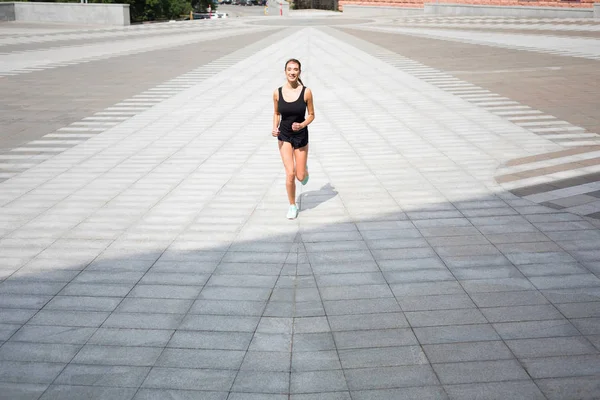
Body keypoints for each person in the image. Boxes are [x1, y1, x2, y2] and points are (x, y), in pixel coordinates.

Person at [272, 58, 315, 219]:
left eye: (295, 69)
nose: (292, 72)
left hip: (301, 134)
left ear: (299, 72)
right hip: (284, 135)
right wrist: (274, 128)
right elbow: (276, 113)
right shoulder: (277, 92)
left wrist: (302, 125)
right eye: (289, 69)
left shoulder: (306, 92)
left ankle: (304, 170)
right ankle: (292, 205)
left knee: (300, 176)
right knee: (290, 173)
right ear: (285, 72)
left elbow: (312, 115)